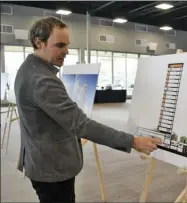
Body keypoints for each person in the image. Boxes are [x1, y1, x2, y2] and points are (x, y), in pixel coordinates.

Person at [14, 17, 161, 203]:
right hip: (52, 168)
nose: (66, 51)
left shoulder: (29, 70)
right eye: (59, 45)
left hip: (45, 162)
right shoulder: (41, 80)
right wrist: (133, 141)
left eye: (67, 45)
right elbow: (81, 124)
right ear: (38, 42)